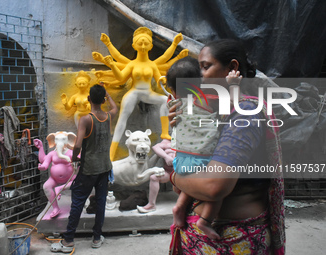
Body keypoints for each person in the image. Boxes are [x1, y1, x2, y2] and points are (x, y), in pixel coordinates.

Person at [168, 40, 285, 254]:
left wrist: (174, 176)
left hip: (232, 239)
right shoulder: (213, 113)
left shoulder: (246, 113)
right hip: (207, 237)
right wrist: (183, 129)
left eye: (205, 67)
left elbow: (213, 186)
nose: (198, 75)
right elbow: (191, 180)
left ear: (232, 68)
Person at [94, 27, 188, 160]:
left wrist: (174, 44)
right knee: (122, 119)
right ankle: (111, 152)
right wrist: (112, 63)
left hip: (148, 93)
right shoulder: (132, 64)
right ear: (134, 45)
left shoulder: (152, 65)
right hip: (134, 93)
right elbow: (121, 77)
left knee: (166, 98)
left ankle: (165, 133)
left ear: (150, 46)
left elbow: (162, 69)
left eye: (146, 43)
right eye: (140, 43)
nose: (143, 46)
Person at [51, 84, 118, 253]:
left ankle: (68, 241)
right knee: (101, 202)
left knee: (78, 202)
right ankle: (96, 238)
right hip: (104, 168)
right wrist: (107, 95)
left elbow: (78, 144)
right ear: (103, 100)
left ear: (88, 99)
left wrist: (74, 160)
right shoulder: (108, 117)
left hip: (88, 170)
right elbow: (115, 108)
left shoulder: (86, 119)